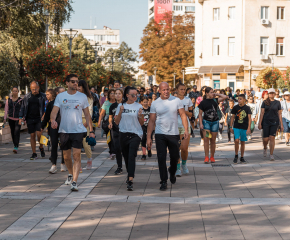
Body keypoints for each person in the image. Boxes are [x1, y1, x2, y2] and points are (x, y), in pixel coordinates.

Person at [50, 74, 95, 191]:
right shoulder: (60, 96)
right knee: (66, 157)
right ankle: (70, 174)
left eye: (77, 82)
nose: (76, 84)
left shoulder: (82, 97)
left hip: (78, 130)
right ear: (67, 83)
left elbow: (87, 114)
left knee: (76, 156)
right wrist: (52, 120)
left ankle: (74, 181)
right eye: (73, 82)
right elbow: (54, 111)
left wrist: (91, 130)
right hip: (64, 130)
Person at [147, 82, 189, 191]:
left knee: (175, 157)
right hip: (160, 134)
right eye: (164, 90)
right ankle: (164, 181)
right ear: (159, 91)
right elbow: (151, 121)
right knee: (161, 158)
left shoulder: (176, 101)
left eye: (167, 89)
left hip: (174, 134)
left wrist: (186, 130)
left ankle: (172, 171)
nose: (166, 91)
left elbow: (183, 115)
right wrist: (148, 137)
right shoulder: (155, 103)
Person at [115, 86, 144, 191]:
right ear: (127, 95)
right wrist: (120, 112)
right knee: (126, 157)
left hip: (135, 134)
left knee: (132, 155)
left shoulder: (138, 106)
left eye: (136, 94)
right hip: (123, 134)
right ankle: (129, 174)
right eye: (133, 95)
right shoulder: (121, 106)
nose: (135, 96)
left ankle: (130, 179)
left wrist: (140, 116)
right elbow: (116, 122)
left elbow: (141, 123)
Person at [199, 87, 228, 163]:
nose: (212, 93)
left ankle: (212, 157)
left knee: (213, 140)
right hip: (206, 123)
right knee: (206, 139)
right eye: (211, 92)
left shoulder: (215, 100)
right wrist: (201, 124)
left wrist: (216, 94)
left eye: (213, 92)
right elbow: (200, 114)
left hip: (215, 123)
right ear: (207, 93)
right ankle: (206, 157)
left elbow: (225, 97)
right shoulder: (203, 102)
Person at [19, 81, 46, 160]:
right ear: (30, 89)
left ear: (38, 88)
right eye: (33, 89)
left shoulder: (43, 96)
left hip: (39, 118)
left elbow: (46, 107)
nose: (35, 90)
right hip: (30, 118)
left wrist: (45, 116)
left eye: (36, 89)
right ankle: (34, 153)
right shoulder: (27, 96)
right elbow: (23, 107)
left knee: (39, 135)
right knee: (32, 135)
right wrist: (21, 117)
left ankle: (41, 147)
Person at [41, 89, 66, 173]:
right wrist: (42, 126)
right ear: (57, 94)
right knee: (54, 144)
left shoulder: (67, 104)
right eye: (61, 92)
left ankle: (63, 163)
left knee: (64, 145)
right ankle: (54, 165)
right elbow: (47, 116)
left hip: (64, 127)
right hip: (53, 127)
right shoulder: (51, 104)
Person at [258, 88, 283, 161]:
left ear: (275, 94)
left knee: (272, 138)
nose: (271, 94)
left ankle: (271, 154)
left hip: (274, 122)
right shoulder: (264, 102)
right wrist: (260, 123)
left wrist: (281, 125)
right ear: (268, 94)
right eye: (270, 93)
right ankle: (265, 148)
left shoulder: (278, 103)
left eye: (273, 93)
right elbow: (262, 113)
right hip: (266, 122)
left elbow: (280, 114)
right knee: (265, 139)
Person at [174, 83, 193, 177]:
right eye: (181, 89)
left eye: (184, 89)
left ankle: (184, 165)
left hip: (185, 126)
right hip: (174, 126)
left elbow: (191, 114)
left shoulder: (188, 100)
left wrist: (182, 111)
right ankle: (177, 168)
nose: (183, 91)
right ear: (176, 90)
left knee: (184, 148)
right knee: (177, 148)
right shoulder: (172, 100)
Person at [229, 94, 252, 164]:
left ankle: (242, 157)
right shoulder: (235, 107)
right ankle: (236, 155)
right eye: (238, 99)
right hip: (236, 126)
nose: (239, 100)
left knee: (242, 142)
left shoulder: (247, 108)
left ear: (244, 100)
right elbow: (232, 117)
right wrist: (230, 126)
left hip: (244, 127)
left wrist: (249, 128)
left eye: (240, 99)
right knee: (236, 140)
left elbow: (249, 118)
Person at [78, 80, 94, 170]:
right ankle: (78, 164)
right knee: (77, 144)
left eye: (80, 86)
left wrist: (86, 123)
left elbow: (90, 112)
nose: (78, 88)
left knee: (85, 142)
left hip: (86, 121)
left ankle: (89, 159)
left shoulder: (89, 98)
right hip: (76, 121)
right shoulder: (75, 96)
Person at [109, 88, 124, 175]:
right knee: (117, 148)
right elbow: (111, 116)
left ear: (122, 95)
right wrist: (110, 123)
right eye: (116, 93)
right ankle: (119, 167)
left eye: (119, 93)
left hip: (124, 129)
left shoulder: (125, 104)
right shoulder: (112, 106)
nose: (117, 95)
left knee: (124, 149)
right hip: (115, 129)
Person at [98, 89, 116, 159]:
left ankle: (116, 151)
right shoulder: (106, 103)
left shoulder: (119, 103)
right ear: (108, 95)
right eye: (111, 93)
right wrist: (99, 121)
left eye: (114, 93)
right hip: (108, 122)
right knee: (109, 138)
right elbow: (102, 113)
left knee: (115, 137)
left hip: (117, 122)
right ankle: (111, 152)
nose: (112, 95)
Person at [4, 87, 22, 153]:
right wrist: (5, 118)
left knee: (16, 132)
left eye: (16, 91)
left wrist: (23, 119)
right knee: (12, 132)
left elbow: (22, 110)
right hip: (11, 118)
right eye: (13, 91)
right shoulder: (8, 100)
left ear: (18, 92)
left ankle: (16, 146)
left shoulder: (21, 100)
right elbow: (6, 110)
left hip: (18, 119)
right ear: (12, 92)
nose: (15, 92)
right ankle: (15, 144)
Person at [140, 96, 152, 160]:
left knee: (149, 139)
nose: (145, 103)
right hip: (142, 126)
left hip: (150, 126)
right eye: (144, 102)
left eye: (146, 102)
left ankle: (149, 149)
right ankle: (144, 154)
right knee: (143, 139)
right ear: (141, 102)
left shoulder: (151, 109)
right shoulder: (140, 109)